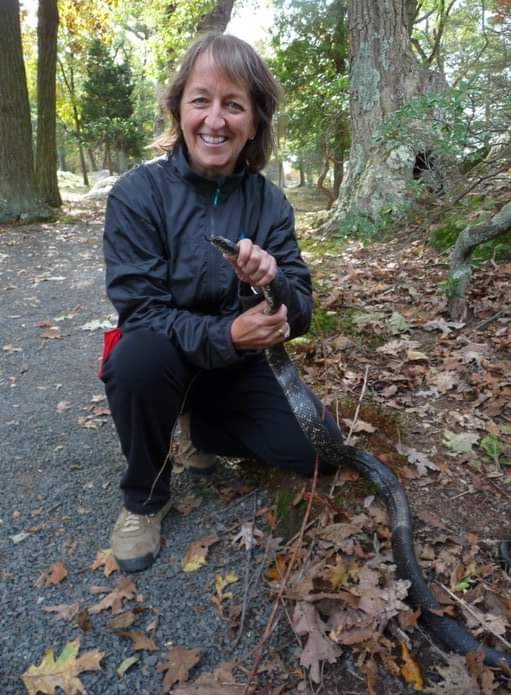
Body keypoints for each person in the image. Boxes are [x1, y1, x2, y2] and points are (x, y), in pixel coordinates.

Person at [101, 32, 341, 573]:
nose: (215, 119)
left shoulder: (269, 202)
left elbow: (300, 310)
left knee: (319, 451)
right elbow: (140, 312)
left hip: (238, 365)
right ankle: (144, 497)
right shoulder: (137, 194)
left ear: (254, 122)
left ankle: (199, 427)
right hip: (166, 356)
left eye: (234, 104)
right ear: (179, 108)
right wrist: (226, 334)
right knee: (133, 361)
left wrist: (276, 285)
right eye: (201, 100)